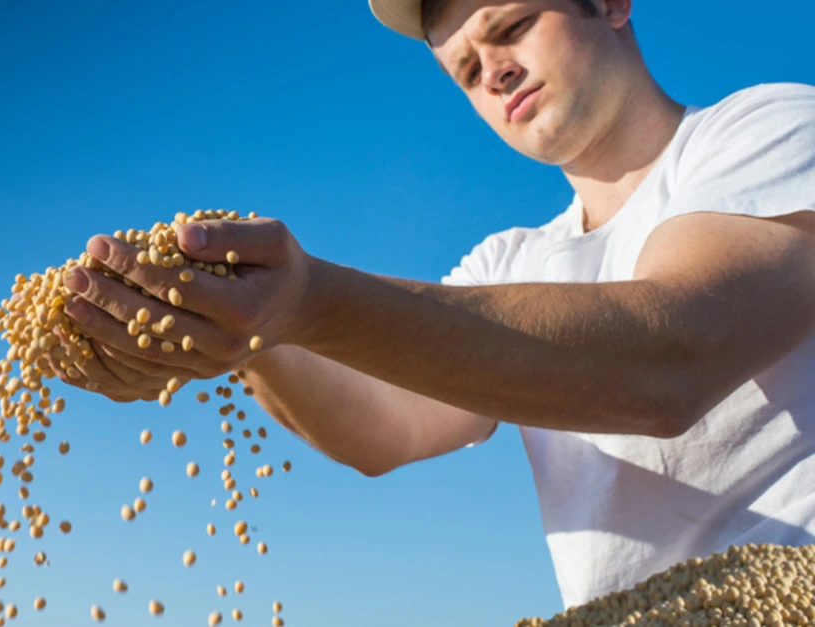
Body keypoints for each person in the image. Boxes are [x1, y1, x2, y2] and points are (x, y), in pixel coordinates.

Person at [50, 0, 815, 612]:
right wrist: (244, 336)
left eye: (510, 28)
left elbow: (667, 355)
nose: (495, 74)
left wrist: (305, 299)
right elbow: (382, 429)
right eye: (465, 69)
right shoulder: (510, 262)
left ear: (611, 4)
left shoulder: (766, 129)